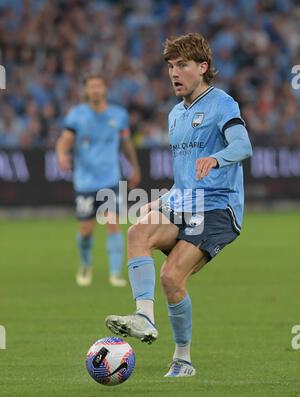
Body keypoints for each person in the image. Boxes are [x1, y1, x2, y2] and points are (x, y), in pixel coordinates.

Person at [105, 33, 252, 377]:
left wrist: (217, 159)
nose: (174, 72)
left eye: (182, 65)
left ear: (202, 68)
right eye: (171, 66)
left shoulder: (223, 104)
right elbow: (185, 178)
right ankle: (144, 317)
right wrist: (161, 200)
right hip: (185, 202)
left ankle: (183, 359)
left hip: (219, 208)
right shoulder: (175, 115)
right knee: (138, 231)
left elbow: (243, 146)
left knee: (171, 276)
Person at [56, 74, 141, 287]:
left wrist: (135, 167)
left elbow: (126, 144)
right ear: (86, 91)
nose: (95, 90)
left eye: (98, 86)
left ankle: (115, 273)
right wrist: (62, 156)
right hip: (85, 182)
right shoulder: (77, 115)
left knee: (113, 224)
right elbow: (64, 141)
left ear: (105, 89)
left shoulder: (118, 115)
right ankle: (85, 263)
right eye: (91, 87)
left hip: (110, 179)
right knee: (86, 229)